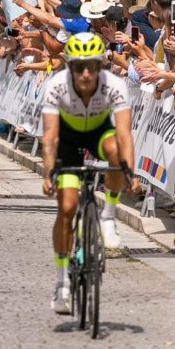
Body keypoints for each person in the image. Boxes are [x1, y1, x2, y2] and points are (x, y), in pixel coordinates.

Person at [38, 33, 139, 315]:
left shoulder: (114, 85)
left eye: (92, 67)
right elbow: (50, 137)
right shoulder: (56, 85)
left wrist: (129, 172)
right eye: (79, 67)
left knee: (116, 153)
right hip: (67, 140)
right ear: (69, 67)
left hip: (98, 132)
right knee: (67, 207)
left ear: (100, 67)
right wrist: (48, 173)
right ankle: (61, 283)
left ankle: (108, 216)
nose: (86, 74)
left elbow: (124, 134)